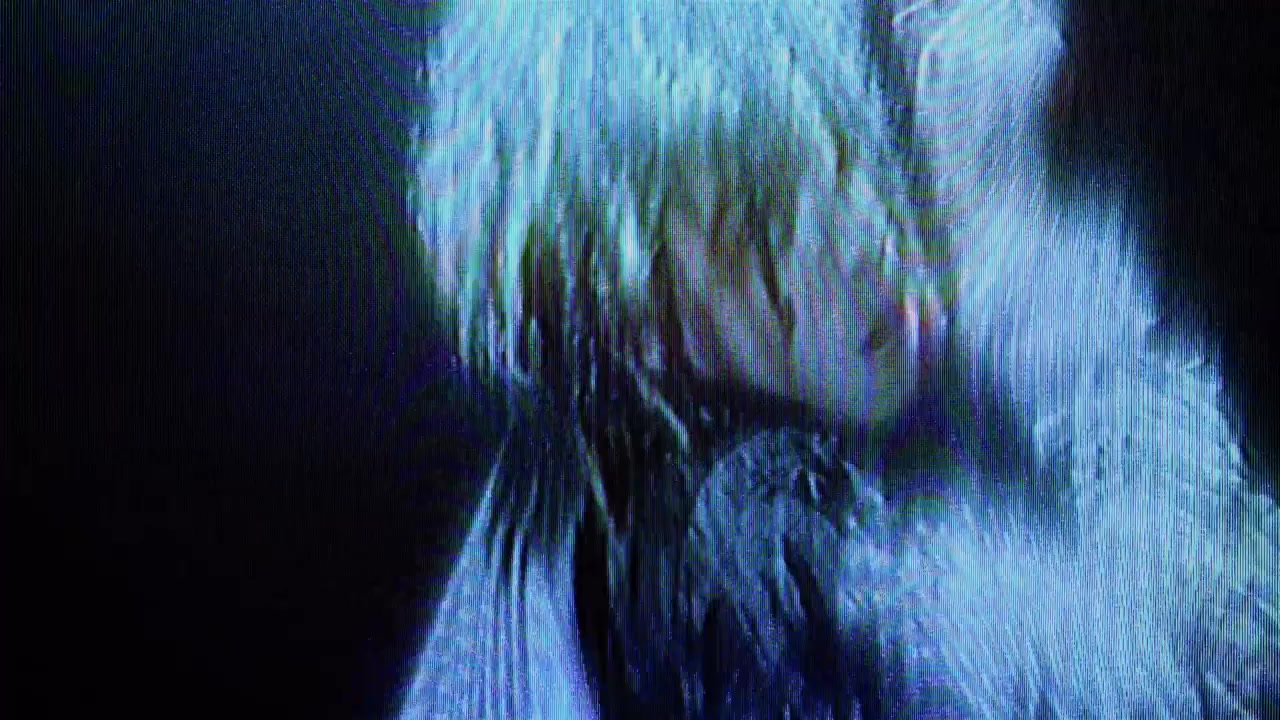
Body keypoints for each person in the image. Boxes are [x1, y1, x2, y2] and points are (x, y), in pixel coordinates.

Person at [397, 1, 1278, 717]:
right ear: (640, 323)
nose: (864, 242)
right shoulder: (712, 556)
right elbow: (1161, 667)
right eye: (763, 228)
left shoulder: (689, 437)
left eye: (849, 153)